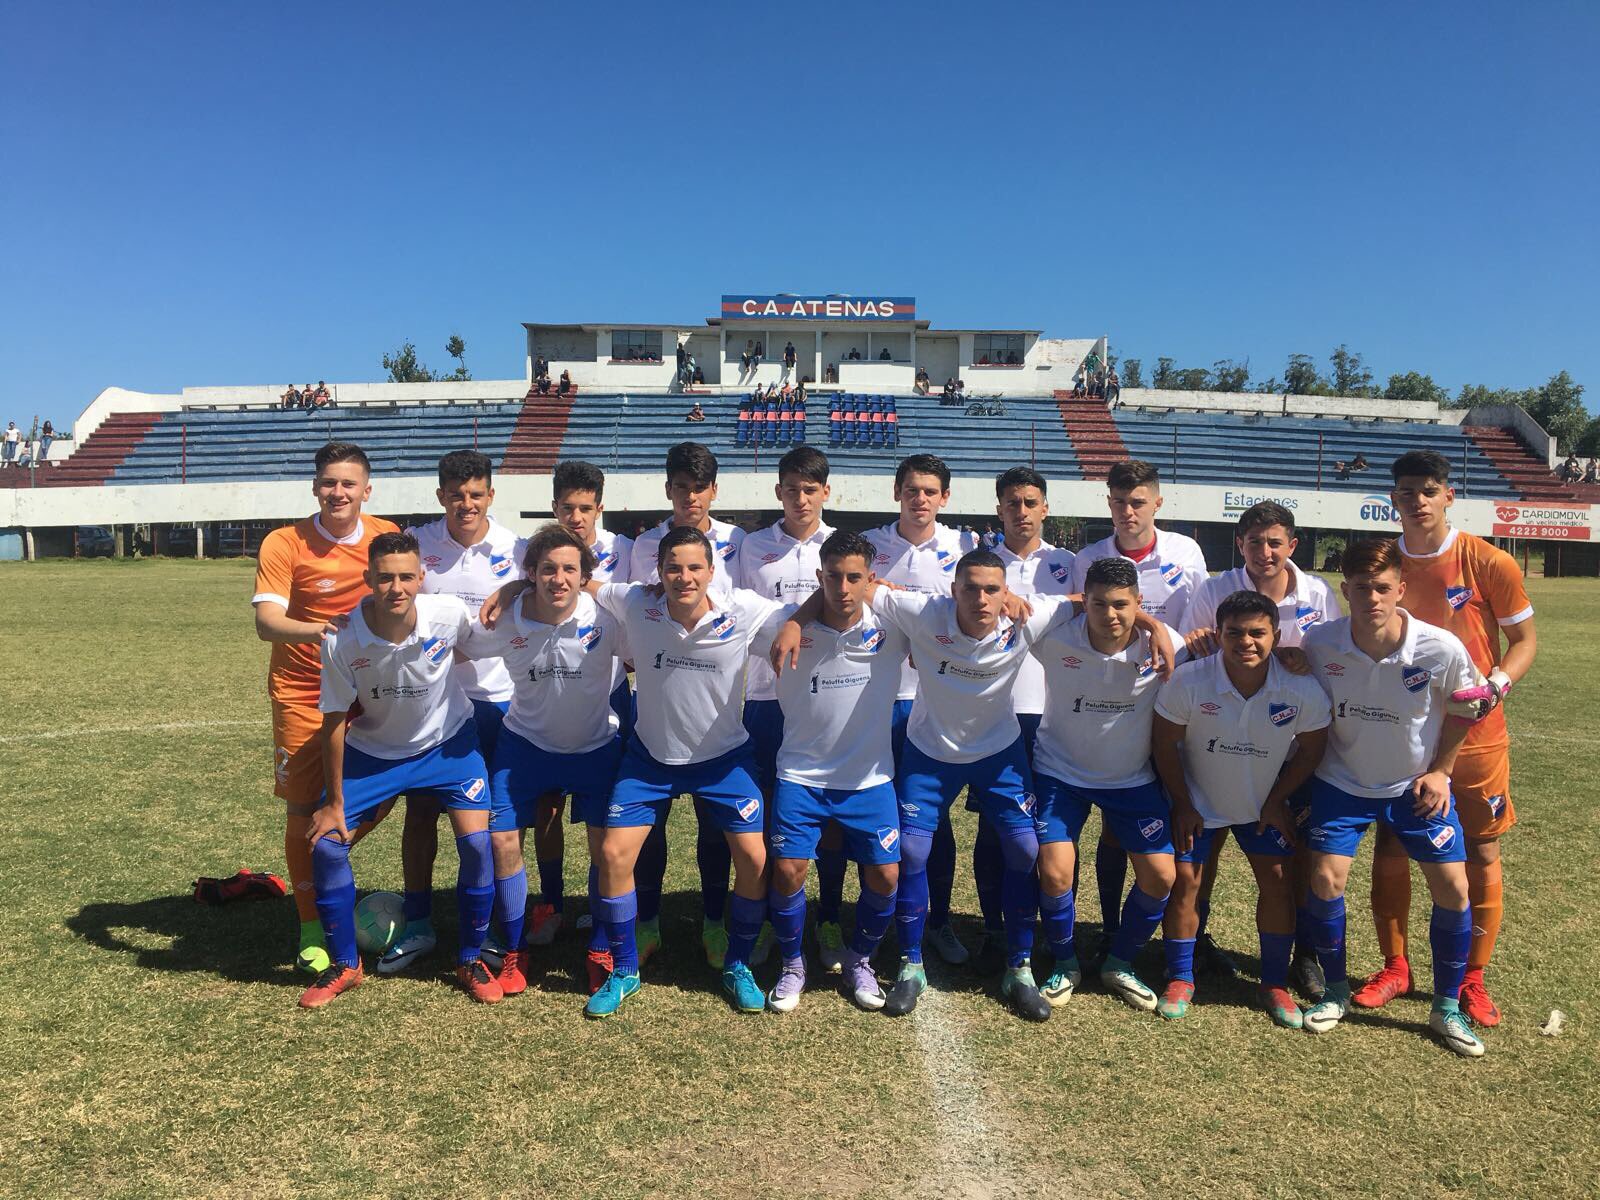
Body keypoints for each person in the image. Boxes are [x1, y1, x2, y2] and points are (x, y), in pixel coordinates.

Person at [1353, 450, 1537, 1028]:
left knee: (1481, 849)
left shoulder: (1487, 561)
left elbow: (1525, 640)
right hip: (1402, 733)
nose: (1417, 501)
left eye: (1428, 490)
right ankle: (1395, 965)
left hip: (1477, 735)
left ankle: (1472, 979)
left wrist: (1496, 686)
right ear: (1394, 499)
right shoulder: (1385, 562)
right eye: (1406, 492)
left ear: (1448, 495)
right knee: (1392, 847)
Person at [584, 527, 788, 1017]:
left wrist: (798, 625)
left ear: (712, 571)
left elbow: (804, 612)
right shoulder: (635, 602)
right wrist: (512, 586)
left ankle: (737, 963)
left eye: (695, 567)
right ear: (659, 571)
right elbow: (582, 583)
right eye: (673, 567)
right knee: (613, 854)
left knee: (755, 859)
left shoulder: (740, 609)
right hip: (649, 759)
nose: (683, 577)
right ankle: (626, 969)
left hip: (724, 761)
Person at [1299, 538, 1486, 1056]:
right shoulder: (1321, 643)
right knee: (1324, 877)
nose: (1373, 598)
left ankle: (1445, 1007)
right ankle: (1335, 990)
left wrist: (1442, 771)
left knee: (1453, 887)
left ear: (1400, 589)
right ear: (1346, 590)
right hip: (1342, 783)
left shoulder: (1439, 648)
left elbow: (1470, 707)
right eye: (1362, 588)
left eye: (1383, 588)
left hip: (1414, 787)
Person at [299, 531, 498, 1008]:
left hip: (449, 746)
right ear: (368, 578)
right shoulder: (342, 637)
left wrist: (511, 591)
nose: (397, 588)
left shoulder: (446, 613)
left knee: (476, 844)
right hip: (376, 754)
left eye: (407, 577)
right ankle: (346, 965)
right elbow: (332, 723)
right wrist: (334, 803)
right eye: (385, 578)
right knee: (327, 847)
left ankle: (470, 957)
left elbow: (485, 641)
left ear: (421, 578)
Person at [1180, 500, 1341, 994]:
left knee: (1293, 858)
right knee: (1202, 856)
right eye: (1255, 542)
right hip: (1220, 745)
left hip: (1289, 752)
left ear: (1292, 546)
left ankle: (1303, 955)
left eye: (1275, 542)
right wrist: (1199, 641)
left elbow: (1332, 658)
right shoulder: (1214, 589)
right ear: (1240, 545)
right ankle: (1197, 941)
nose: (1265, 552)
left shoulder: (1318, 593)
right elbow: (1191, 651)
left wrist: (1300, 656)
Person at [458, 525, 625, 997]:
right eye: (547, 569)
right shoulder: (506, 618)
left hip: (595, 747)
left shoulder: (607, 618)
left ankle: (599, 946)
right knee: (503, 840)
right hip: (525, 747)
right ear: (529, 573)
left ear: (584, 575)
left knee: (604, 848)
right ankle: (513, 951)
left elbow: (655, 654)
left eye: (569, 569)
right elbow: (452, 649)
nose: (558, 579)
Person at [1152, 591, 1332, 1027]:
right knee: (1187, 882)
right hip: (1200, 803)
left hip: (1260, 805)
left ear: (1276, 635)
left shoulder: (1299, 687)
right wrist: (1182, 803)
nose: (1245, 641)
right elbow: (1164, 744)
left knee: (1277, 881)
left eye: (1257, 632)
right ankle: (1180, 976)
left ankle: (1273, 983)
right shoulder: (1190, 680)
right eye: (1234, 632)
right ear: (1218, 633)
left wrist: (1275, 799)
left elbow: (1312, 748)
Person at [252, 443, 399, 975]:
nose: (339, 492)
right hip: (303, 695)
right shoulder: (284, 542)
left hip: (371, 693)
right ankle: (312, 924)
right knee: (300, 808)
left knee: (389, 791)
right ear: (316, 487)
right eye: (329, 483)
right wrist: (327, 633)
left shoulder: (385, 535)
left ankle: (327, 857)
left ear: (367, 489)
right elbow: (268, 622)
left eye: (348, 483)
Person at [376, 451, 523, 978]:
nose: (467, 503)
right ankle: (418, 921)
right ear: (441, 496)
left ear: (490, 495)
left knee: (494, 821)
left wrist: (514, 584)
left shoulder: (516, 549)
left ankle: (490, 932)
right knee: (420, 815)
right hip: (430, 706)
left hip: (501, 702)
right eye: (456, 494)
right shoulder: (420, 547)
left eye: (476, 494)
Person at [755, 530, 909, 1012]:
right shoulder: (781, 624)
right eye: (833, 577)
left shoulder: (894, 625)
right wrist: (796, 620)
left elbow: (958, 607)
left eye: (854, 578)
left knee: (885, 874)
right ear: (819, 577)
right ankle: (793, 964)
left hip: (869, 778)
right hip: (802, 773)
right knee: (787, 870)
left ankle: (860, 958)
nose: (843, 588)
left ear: (871, 580)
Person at [1069, 459, 1210, 965]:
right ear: (1107, 503)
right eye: (1118, 502)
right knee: (1114, 819)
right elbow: (1080, 610)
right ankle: (1110, 926)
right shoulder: (1088, 557)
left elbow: (1198, 626)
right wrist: (1147, 621)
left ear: (1157, 503)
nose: (1128, 512)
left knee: (1185, 817)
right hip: (1113, 699)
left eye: (1138, 502)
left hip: (1174, 696)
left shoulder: (1186, 553)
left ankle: (1193, 927)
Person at [1028, 557, 1185, 1012]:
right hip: (1061, 773)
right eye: (1099, 604)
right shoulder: (1054, 639)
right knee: (1055, 870)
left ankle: (1120, 961)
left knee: (1161, 875)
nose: (1111, 614)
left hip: (1130, 779)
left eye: (1122, 605)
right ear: (1085, 603)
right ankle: (1064, 960)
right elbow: (1045, 610)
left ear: (1139, 603)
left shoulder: (1165, 644)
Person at [626, 443, 746, 964]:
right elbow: (633, 607)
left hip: (721, 700)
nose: (690, 496)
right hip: (661, 696)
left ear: (714, 490)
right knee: (648, 827)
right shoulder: (645, 543)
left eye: (700, 487)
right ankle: (647, 920)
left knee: (715, 825)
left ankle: (715, 921)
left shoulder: (740, 541)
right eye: (681, 486)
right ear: (668, 489)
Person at [863, 456, 979, 968]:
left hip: (935, 702)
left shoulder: (967, 548)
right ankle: (869, 912)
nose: (921, 499)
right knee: (866, 812)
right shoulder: (870, 545)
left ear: (945, 498)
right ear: (897, 493)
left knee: (931, 822)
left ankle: (939, 921)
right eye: (912, 489)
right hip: (872, 697)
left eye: (931, 491)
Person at [968, 467, 1075, 973]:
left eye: (1031, 502)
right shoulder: (984, 566)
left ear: (1046, 508)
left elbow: (1092, 604)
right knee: (997, 829)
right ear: (999, 509)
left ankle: (1043, 931)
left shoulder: (1068, 564)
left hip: (1055, 714)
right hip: (997, 713)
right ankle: (996, 926)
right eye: (1012, 503)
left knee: (1048, 831)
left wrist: (1035, 606)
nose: (1022, 511)